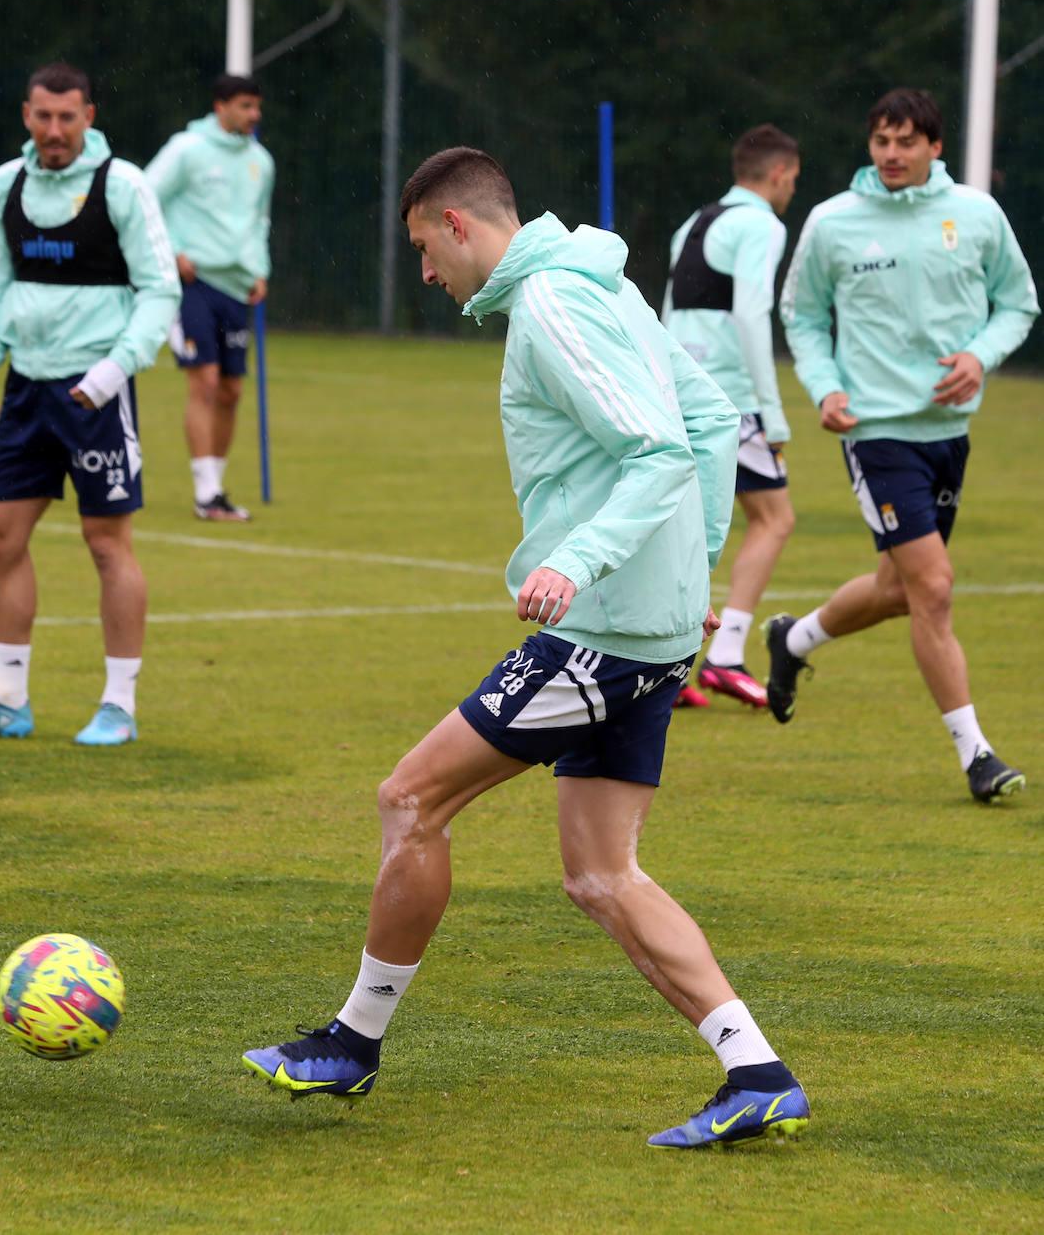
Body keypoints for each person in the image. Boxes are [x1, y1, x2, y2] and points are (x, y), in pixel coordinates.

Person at [243, 148, 811, 1149]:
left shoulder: (553, 306)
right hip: (648, 630)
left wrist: (583, 562)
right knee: (601, 876)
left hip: (597, 634)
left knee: (409, 799)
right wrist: (691, 565)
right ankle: (756, 1071)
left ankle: (352, 1042)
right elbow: (713, 416)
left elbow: (660, 446)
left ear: (460, 227)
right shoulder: (605, 287)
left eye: (424, 250)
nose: (425, 274)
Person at [772, 88, 1038, 803]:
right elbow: (801, 314)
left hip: (949, 434)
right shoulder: (833, 222)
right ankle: (976, 754)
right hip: (875, 430)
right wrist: (825, 386)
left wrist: (980, 356)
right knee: (934, 587)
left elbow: (1019, 302)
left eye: (906, 142)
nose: (891, 154)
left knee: (898, 590)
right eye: (881, 141)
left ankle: (791, 642)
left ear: (934, 148)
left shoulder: (977, 216)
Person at [0, 62, 180, 747]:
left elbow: (160, 291)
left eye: (68, 117)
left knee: (106, 545)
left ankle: (118, 705)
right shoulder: (3, 186)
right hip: (27, 391)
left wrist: (114, 370)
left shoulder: (122, 186)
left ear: (89, 116)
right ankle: (7, 697)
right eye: (43, 116)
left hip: (95, 391)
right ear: (25, 115)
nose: (54, 131)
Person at [663, 125, 800, 709]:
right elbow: (750, 314)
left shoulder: (694, 220)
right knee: (774, 519)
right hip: (729, 399)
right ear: (777, 175)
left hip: (678, 389)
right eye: (793, 179)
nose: (791, 189)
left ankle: (663, 669)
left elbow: (668, 309)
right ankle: (726, 655)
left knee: (680, 528)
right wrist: (772, 411)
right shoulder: (763, 224)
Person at [144, 73, 275, 521]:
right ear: (220, 107)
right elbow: (144, 196)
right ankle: (207, 494)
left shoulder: (261, 161)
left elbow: (259, 222)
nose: (253, 115)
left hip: (237, 287)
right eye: (244, 106)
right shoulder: (187, 150)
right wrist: (172, 250)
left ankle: (215, 490)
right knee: (205, 381)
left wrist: (260, 268)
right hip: (192, 284)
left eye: (256, 107)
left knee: (232, 391)